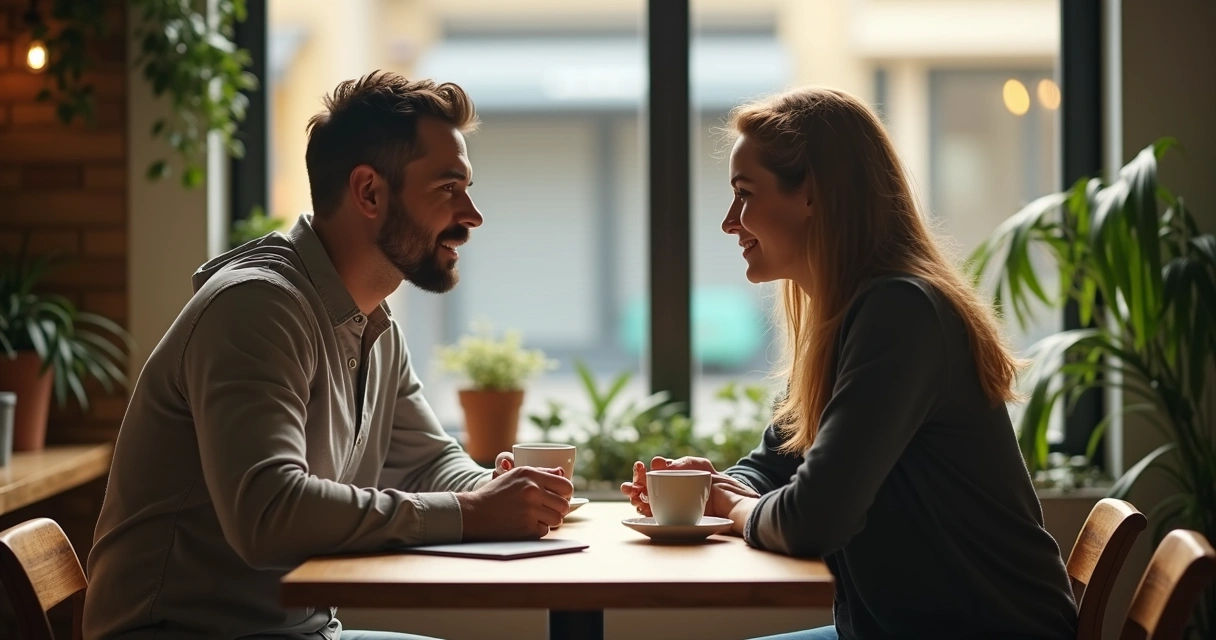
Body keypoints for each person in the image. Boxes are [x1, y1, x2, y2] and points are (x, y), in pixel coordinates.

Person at [84, 71, 573, 640]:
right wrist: (473, 512)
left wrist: (506, 490)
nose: (472, 215)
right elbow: (269, 514)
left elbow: (427, 462)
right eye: (448, 188)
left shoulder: (374, 325)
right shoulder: (257, 307)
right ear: (369, 192)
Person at [621, 87, 1078, 640]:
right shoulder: (849, 316)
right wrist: (709, 485)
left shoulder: (900, 313)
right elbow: (776, 464)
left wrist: (732, 508)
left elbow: (814, 519)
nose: (729, 222)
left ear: (811, 195)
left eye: (744, 194)